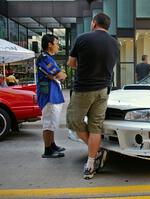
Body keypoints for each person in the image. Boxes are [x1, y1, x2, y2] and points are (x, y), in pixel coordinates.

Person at [66, 13, 119, 180]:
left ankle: (95, 152)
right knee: (95, 126)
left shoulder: (83, 38)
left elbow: (71, 64)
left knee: (73, 120)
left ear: (94, 23)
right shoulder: (115, 44)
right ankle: (90, 164)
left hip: (84, 88)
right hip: (104, 89)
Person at [36, 34, 67, 158]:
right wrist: (59, 74)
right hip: (48, 95)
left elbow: (56, 75)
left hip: (52, 94)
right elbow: (61, 75)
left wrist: (56, 75)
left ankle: (52, 144)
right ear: (50, 44)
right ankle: (48, 150)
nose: (58, 46)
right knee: (49, 122)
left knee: (53, 121)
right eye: (57, 43)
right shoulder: (45, 58)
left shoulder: (47, 57)